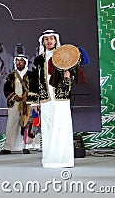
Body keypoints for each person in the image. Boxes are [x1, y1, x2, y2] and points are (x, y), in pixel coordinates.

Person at [31, 30, 75, 168]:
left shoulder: (64, 57)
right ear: (43, 42)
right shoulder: (38, 60)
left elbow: (71, 79)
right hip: (46, 100)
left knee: (63, 128)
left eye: (51, 38)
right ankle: (50, 160)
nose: (49, 41)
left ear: (55, 40)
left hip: (61, 99)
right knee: (48, 129)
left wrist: (69, 77)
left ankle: (65, 160)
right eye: (46, 39)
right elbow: (34, 81)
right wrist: (34, 102)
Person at [0, 54, 38, 155]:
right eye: (17, 61)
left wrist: (29, 99)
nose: (18, 63)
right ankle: (9, 147)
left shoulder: (31, 75)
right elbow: (6, 89)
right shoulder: (11, 76)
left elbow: (35, 89)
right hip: (14, 103)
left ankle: (26, 146)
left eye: (21, 61)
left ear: (25, 62)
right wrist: (14, 96)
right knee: (11, 124)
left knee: (26, 124)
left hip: (27, 104)